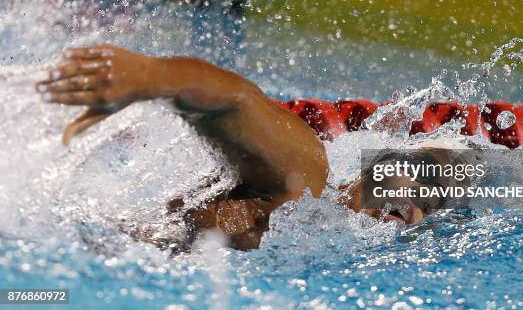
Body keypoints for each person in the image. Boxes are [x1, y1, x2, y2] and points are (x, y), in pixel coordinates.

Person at [35, 45, 449, 250]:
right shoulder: (306, 178)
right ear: (372, 168)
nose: (415, 197)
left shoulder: (337, 242)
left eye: (432, 202)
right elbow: (234, 98)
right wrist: (148, 75)